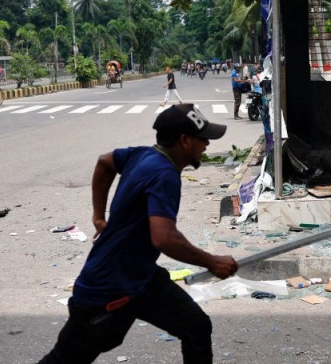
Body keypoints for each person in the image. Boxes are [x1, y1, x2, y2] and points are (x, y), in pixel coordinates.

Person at [37, 104, 238, 363]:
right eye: (203, 138)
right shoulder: (165, 175)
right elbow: (164, 237)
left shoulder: (143, 155)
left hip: (140, 278)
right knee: (64, 359)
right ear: (185, 141)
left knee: (196, 326)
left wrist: (99, 216)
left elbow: (104, 162)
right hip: (108, 288)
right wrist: (212, 261)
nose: (207, 144)